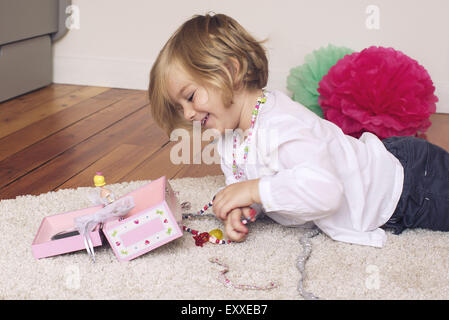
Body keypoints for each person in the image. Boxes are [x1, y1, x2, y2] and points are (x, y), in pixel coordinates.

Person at [148, 13, 449, 247]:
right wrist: (241, 205)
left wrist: (253, 190)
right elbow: (252, 184)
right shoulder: (230, 138)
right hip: (385, 161)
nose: (187, 114)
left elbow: (325, 191)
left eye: (190, 97)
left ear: (230, 70)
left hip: (411, 184)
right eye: (179, 108)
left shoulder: (282, 123)